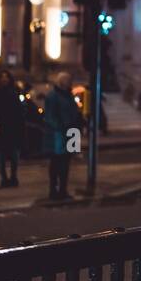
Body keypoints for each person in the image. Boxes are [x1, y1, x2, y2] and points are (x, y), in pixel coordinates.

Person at [43, 72, 85, 201]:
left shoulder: (69, 95)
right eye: (68, 81)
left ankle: (62, 189)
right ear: (61, 82)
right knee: (56, 163)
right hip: (59, 134)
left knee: (66, 163)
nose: (70, 83)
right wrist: (61, 126)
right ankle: (53, 190)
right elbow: (50, 116)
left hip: (70, 133)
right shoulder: (53, 96)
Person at [0, 69, 25, 188]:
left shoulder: (15, 91)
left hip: (13, 126)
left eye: (6, 77)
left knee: (14, 154)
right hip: (2, 126)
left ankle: (13, 176)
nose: (4, 79)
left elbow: (20, 110)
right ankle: (4, 178)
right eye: (2, 77)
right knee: (1, 155)